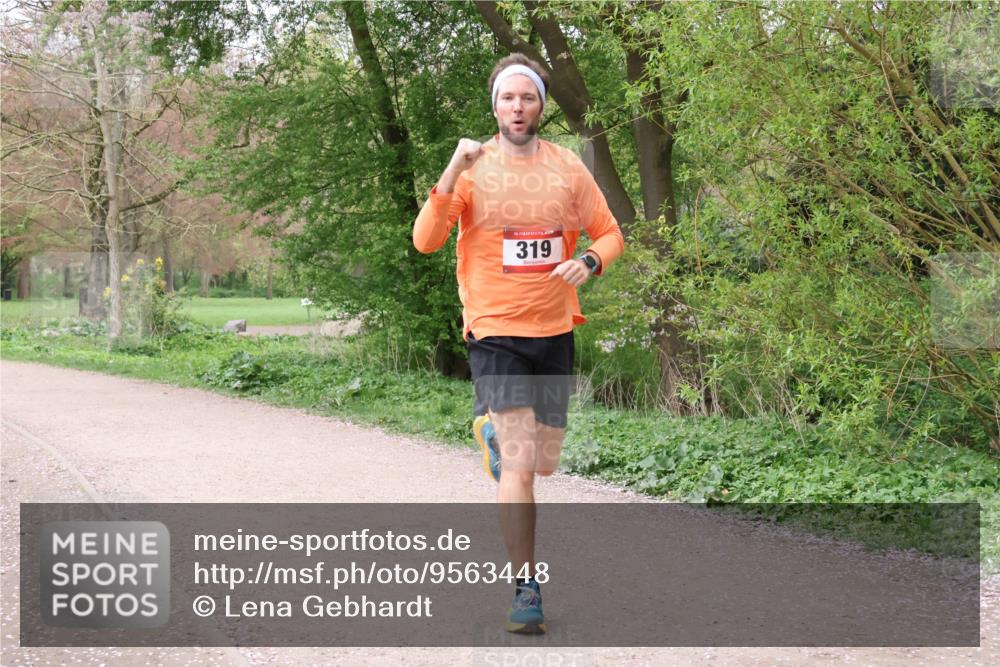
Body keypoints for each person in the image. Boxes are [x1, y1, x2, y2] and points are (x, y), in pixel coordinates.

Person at [412, 53, 625, 634]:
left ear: (541, 106)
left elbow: (610, 234)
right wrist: (451, 170)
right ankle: (526, 588)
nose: (517, 106)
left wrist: (589, 260)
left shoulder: (567, 168)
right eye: (507, 97)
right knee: (523, 465)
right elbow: (427, 240)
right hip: (494, 330)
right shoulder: (472, 168)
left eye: (527, 97)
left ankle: (494, 434)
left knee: (543, 461)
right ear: (495, 106)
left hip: (554, 329)